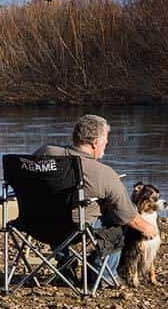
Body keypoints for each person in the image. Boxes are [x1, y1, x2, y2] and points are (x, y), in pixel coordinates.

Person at [34, 114, 156, 283]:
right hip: (73, 227)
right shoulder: (103, 172)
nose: (107, 143)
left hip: (35, 223)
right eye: (106, 139)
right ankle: (103, 275)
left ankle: (65, 270)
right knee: (116, 223)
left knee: (57, 209)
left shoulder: (44, 152)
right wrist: (148, 228)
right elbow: (127, 215)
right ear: (95, 143)